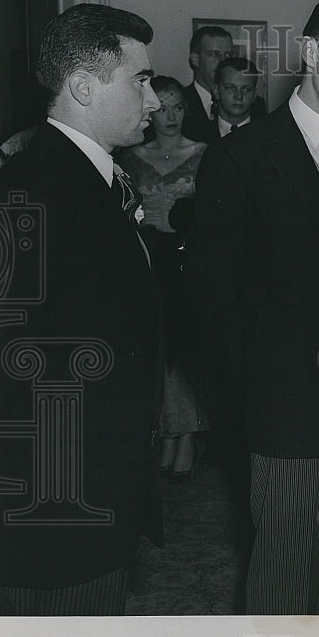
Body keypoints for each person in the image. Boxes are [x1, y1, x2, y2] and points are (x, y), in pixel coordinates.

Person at [188, 0, 319, 615]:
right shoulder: (242, 157)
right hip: (286, 398)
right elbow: (210, 297)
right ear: (309, 52)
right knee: (287, 568)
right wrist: (257, 387)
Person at [0, 3, 163, 615]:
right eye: (139, 80)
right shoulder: (32, 190)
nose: (156, 102)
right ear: (83, 87)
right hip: (58, 507)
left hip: (100, 488)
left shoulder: (99, 180)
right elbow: (5, 363)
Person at [118, 76, 208, 481]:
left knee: (185, 349)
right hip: (147, 260)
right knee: (155, 348)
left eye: (178, 107)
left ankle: (187, 438)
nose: (170, 116)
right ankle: (166, 436)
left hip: (189, 262)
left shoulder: (205, 153)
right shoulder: (130, 156)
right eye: (163, 107)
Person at [181, 26, 266, 142]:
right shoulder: (180, 102)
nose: (223, 61)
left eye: (228, 55)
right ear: (195, 59)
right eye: (214, 54)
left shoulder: (256, 105)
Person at [213, 57, 262, 135]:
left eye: (246, 89)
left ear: (254, 94)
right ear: (216, 91)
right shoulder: (195, 136)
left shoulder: (269, 134)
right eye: (230, 88)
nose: (239, 96)